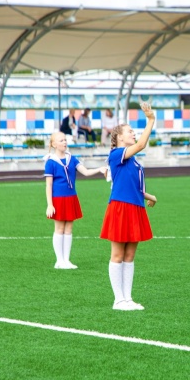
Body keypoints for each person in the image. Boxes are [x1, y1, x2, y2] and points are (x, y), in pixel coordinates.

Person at [100, 102, 157, 311]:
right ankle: (118, 300)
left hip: (135, 207)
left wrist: (150, 196)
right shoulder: (116, 154)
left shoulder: (134, 161)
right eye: (129, 131)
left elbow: (133, 186)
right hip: (120, 208)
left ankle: (128, 298)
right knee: (117, 255)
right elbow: (141, 145)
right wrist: (150, 120)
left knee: (130, 256)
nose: (133, 133)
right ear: (119, 137)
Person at [44, 132, 106, 269]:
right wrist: (50, 204)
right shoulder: (50, 162)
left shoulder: (72, 159)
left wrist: (99, 169)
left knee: (69, 229)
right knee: (59, 228)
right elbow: (48, 185)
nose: (65, 142)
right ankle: (59, 260)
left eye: (65, 140)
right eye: (61, 140)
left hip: (71, 198)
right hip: (58, 199)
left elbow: (86, 172)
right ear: (54, 144)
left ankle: (66, 260)